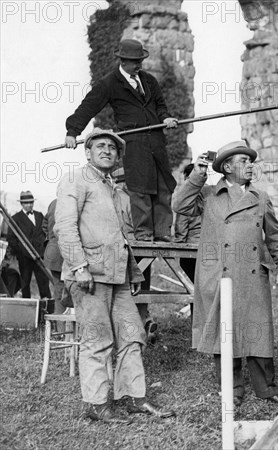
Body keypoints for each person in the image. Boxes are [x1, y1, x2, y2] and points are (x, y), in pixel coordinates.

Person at [55, 128, 174, 423]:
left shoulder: (117, 192)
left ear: (118, 157)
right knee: (97, 340)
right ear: (88, 151)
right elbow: (65, 227)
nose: (107, 150)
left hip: (117, 277)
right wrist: (80, 267)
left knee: (134, 335)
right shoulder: (76, 180)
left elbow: (125, 238)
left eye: (112, 147)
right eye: (100, 146)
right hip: (88, 275)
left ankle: (135, 398)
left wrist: (132, 275)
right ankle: (96, 405)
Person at [172, 140, 278, 406]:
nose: (250, 166)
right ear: (226, 167)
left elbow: (275, 237)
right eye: (244, 161)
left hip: (252, 275)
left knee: (258, 330)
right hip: (220, 275)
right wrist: (197, 175)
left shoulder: (261, 198)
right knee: (226, 331)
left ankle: (266, 388)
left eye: (250, 161)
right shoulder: (209, 194)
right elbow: (180, 205)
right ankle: (231, 388)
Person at [64, 39, 178, 242]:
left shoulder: (149, 80)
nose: (139, 65)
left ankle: (162, 232)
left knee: (163, 185)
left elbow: (160, 105)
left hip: (156, 140)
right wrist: (72, 131)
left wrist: (165, 118)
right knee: (140, 187)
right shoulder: (110, 83)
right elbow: (89, 106)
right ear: (123, 61)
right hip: (134, 141)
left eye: (140, 60)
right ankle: (143, 233)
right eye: (135, 61)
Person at [6, 191, 51, 299]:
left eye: (31, 202)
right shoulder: (15, 218)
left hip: (39, 256)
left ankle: (48, 306)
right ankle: (27, 306)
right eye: (26, 203)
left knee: (44, 282)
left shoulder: (39, 215)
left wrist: (43, 249)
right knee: (25, 283)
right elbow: (11, 239)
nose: (29, 205)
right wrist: (22, 251)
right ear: (21, 204)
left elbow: (46, 232)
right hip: (24, 258)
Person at [42, 199, 72, 313]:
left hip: (53, 252)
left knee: (59, 291)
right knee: (74, 290)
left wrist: (51, 239)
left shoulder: (53, 202)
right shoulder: (73, 201)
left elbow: (44, 224)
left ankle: (61, 328)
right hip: (68, 252)